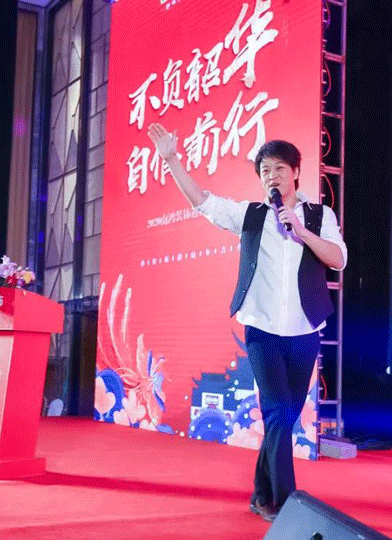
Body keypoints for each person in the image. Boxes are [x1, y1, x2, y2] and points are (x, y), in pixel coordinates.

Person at [146, 123, 347, 522]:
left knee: (285, 418)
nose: (271, 176)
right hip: (262, 331)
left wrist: (301, 231)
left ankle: (260, 494)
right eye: (264, 170)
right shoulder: (251, 215)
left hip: (305, 331)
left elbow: (338, 259)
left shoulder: (319, 215)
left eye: (278, 168)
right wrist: (171, 159)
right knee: (277, 412)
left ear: (295, 172)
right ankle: (286, 505)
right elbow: (202, 202)